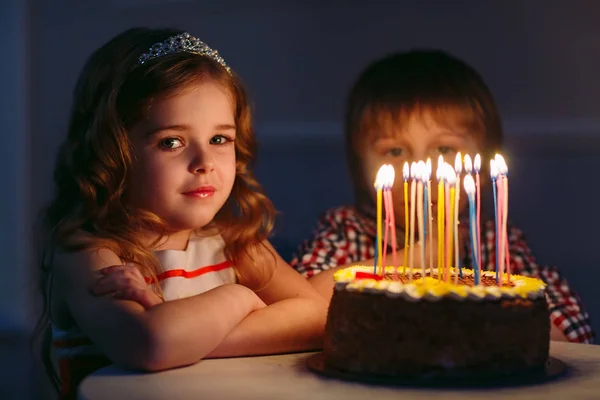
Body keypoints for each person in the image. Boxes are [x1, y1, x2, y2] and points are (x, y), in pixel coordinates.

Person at [34, 27, 328, 399]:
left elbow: (317, 317)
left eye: (219, 139)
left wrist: (189, 337)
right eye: (171, 141)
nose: (204, 162)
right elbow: (152, 344)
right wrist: (239, 299)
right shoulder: (88, 253)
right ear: (113, 151)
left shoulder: (235, 244)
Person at [289, 49, 594, 344]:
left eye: (445, 149)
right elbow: (298, 304)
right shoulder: (347, 230)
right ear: (360, 162)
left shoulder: (495, 243)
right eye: (394, 151)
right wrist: (420, 256)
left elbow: (572, 335)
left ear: (482, 157)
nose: (422, 170)